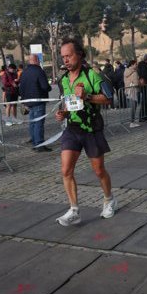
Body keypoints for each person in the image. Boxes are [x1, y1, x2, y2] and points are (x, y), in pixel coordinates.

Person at [54, 38, 116, 226]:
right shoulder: (63, 79)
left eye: (69, 56)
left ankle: (109, 199)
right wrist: (63, 113)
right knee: (66, 170)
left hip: (91, 128)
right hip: (72, 128)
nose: (65, 60)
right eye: (63, 57)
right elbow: (68, 102)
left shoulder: (92, 75)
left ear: (79, 55)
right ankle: (74, 210)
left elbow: (109, 98)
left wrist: (87, 96)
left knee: (98, 170)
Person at [19, 54, 52, 151]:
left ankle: (34, 142)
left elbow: (21, 88)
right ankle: (39, 144)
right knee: (39, 123)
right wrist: (49, 88)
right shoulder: (39, 71)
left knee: (32, 123)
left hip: (28, 101)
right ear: (37, 60)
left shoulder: (24, 72)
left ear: (29, 61)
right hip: (38, 100)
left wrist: (23, 100)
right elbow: (45, 86)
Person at [124, 59, 140, 128]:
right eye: (136, 64)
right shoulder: (134, 72)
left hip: (128, 90)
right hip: (133, 91)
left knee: (132, 106)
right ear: (132, 64)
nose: (136, 65)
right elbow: (136, 83)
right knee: (134, 106)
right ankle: (132, 122)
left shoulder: (126, 71)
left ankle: (132, 121)